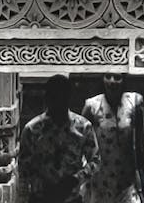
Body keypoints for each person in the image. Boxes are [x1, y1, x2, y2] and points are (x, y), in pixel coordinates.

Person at [19, 74, 97, 203]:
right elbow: (24, 166)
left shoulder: (83, 127)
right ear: (47, 98)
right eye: (55, 97)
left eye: (63, 97)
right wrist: (40, 184)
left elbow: (95, 160)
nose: (59, 102)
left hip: (71, 198)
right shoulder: (32, 130)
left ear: (69, 97)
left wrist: (76, 179)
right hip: (41, 198)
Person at [82, 72, 144, 203]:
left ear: (123, 80)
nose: (112, 81)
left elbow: (143, 140)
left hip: (126, 179)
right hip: (100, 179)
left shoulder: (134, 102)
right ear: (102, 79)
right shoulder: (92, 105)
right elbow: (81, 143)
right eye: (108, 77)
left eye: (117, 78)